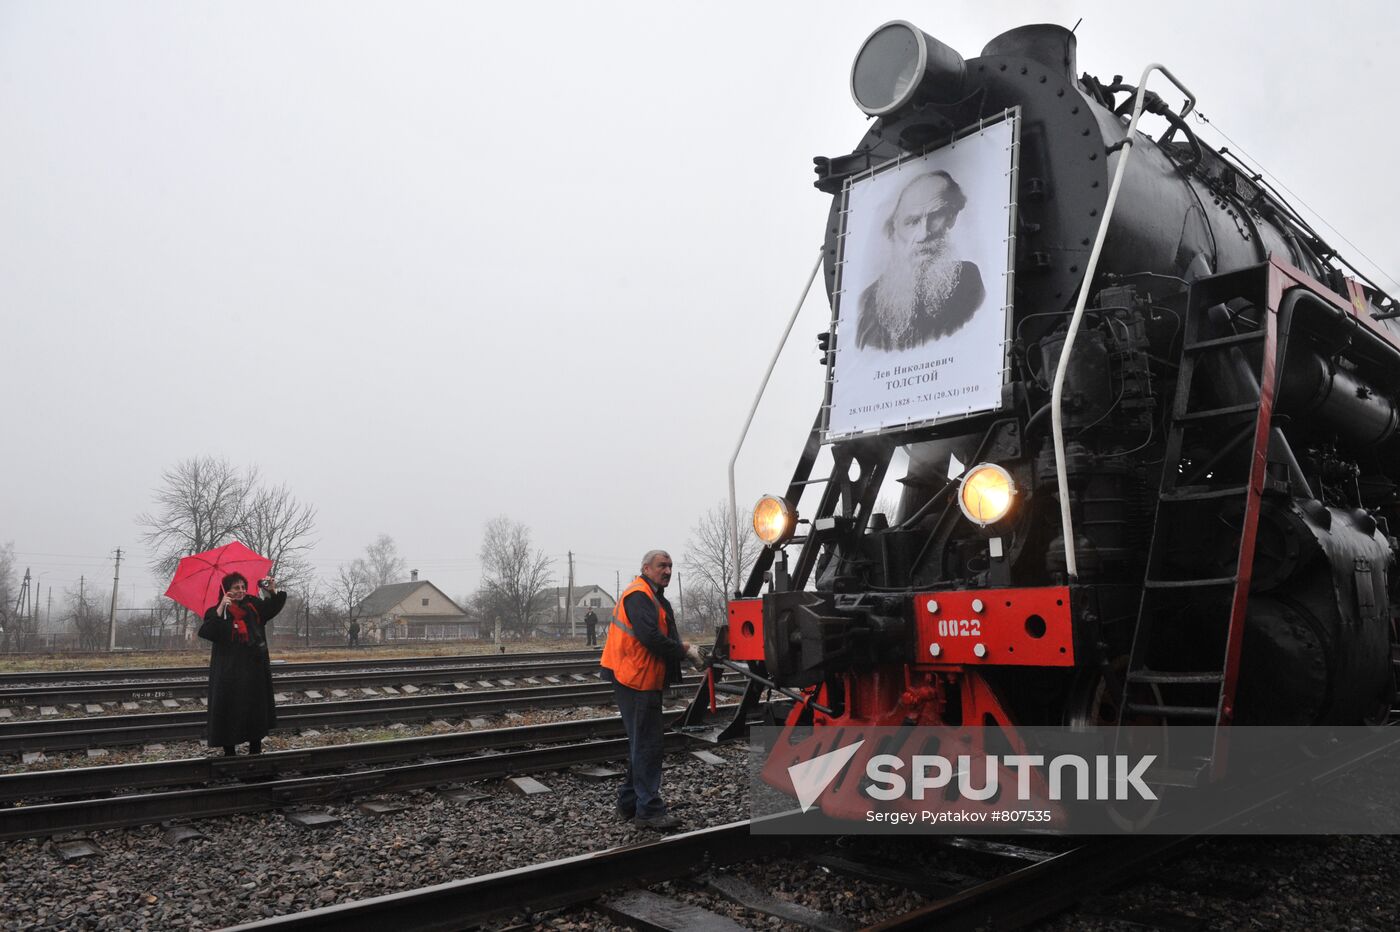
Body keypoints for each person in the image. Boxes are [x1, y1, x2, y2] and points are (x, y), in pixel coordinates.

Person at [600, 550, 701, 830]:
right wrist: (685, 651)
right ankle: (649, 811)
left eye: (670, 566)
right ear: (646, 567)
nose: (667, 571)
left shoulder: (654, 596)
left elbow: (665, 634)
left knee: (642, 743)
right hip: (634, 678)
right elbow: (651, 638)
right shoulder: (639, 595)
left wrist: (688, 657)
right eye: (661, 566)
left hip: (640, 677)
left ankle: (629, 804)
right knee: (648, 745)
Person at [855, 169, 985, 351]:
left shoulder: (969, 279)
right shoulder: (868, 301)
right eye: (912, 221)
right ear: (894, 228)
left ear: (951, 218)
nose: (923, 234)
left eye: (935, 216)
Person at [198, 572, 286, 756]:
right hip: (228, 672)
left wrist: (272, 591)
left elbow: (272, 608)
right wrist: (222, 606)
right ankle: (229, 752)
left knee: (254, 709)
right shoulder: (218, 612)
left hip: (253, 669)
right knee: (228, 709)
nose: (241, 591)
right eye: (236, 587)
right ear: (226, 590)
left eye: (243, 587)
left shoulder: (253, 606)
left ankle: (255, 749)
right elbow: (207, 631)